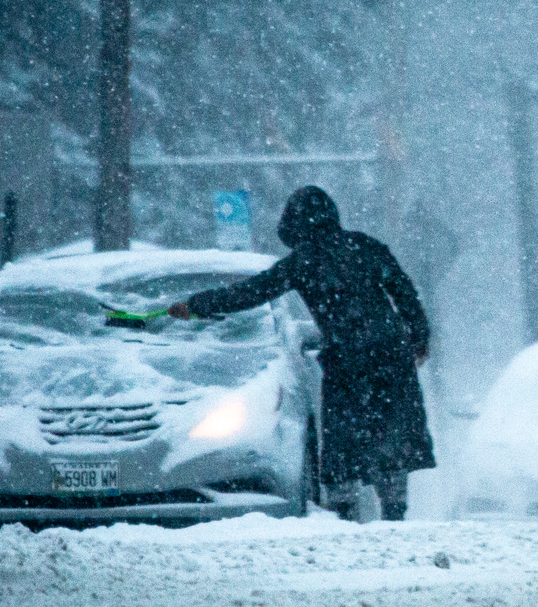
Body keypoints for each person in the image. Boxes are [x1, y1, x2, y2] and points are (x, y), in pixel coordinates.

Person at [168, 186, 434, 521]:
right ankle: (395, 509)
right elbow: (404, 291)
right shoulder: (365, 246)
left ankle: (345, 510)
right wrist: (419, 337)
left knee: (343, 441)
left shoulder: (302, 262)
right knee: (391, 433)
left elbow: (251, 292)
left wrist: (196, 305)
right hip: (391, 354)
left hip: (348, 359)